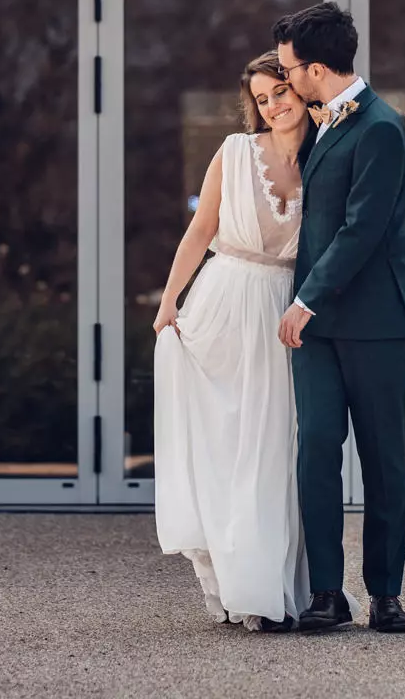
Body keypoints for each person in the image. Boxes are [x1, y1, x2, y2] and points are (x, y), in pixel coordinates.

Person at [274, 2, 405, 635]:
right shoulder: (323, 124)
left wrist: (305, 299)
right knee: (316, 450)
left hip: (374, 320)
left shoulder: (382, 127)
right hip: (318, 326)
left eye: (289, 70)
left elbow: (364, 229)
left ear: (315, 67)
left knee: (384, 456)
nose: (284, 80)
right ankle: (328, 593)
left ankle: (386, 595)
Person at [151, 52, 312, 632]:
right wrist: (170, 301)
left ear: (299, 86)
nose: (272, 106)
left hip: (281, 314)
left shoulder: (328, 156)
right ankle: (233, 587)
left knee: (270, 454)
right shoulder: (234, 151)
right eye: (262, 99)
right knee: (223, 446)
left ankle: (267, 589)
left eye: (279, 92)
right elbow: (201, 229)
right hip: (222, 304)